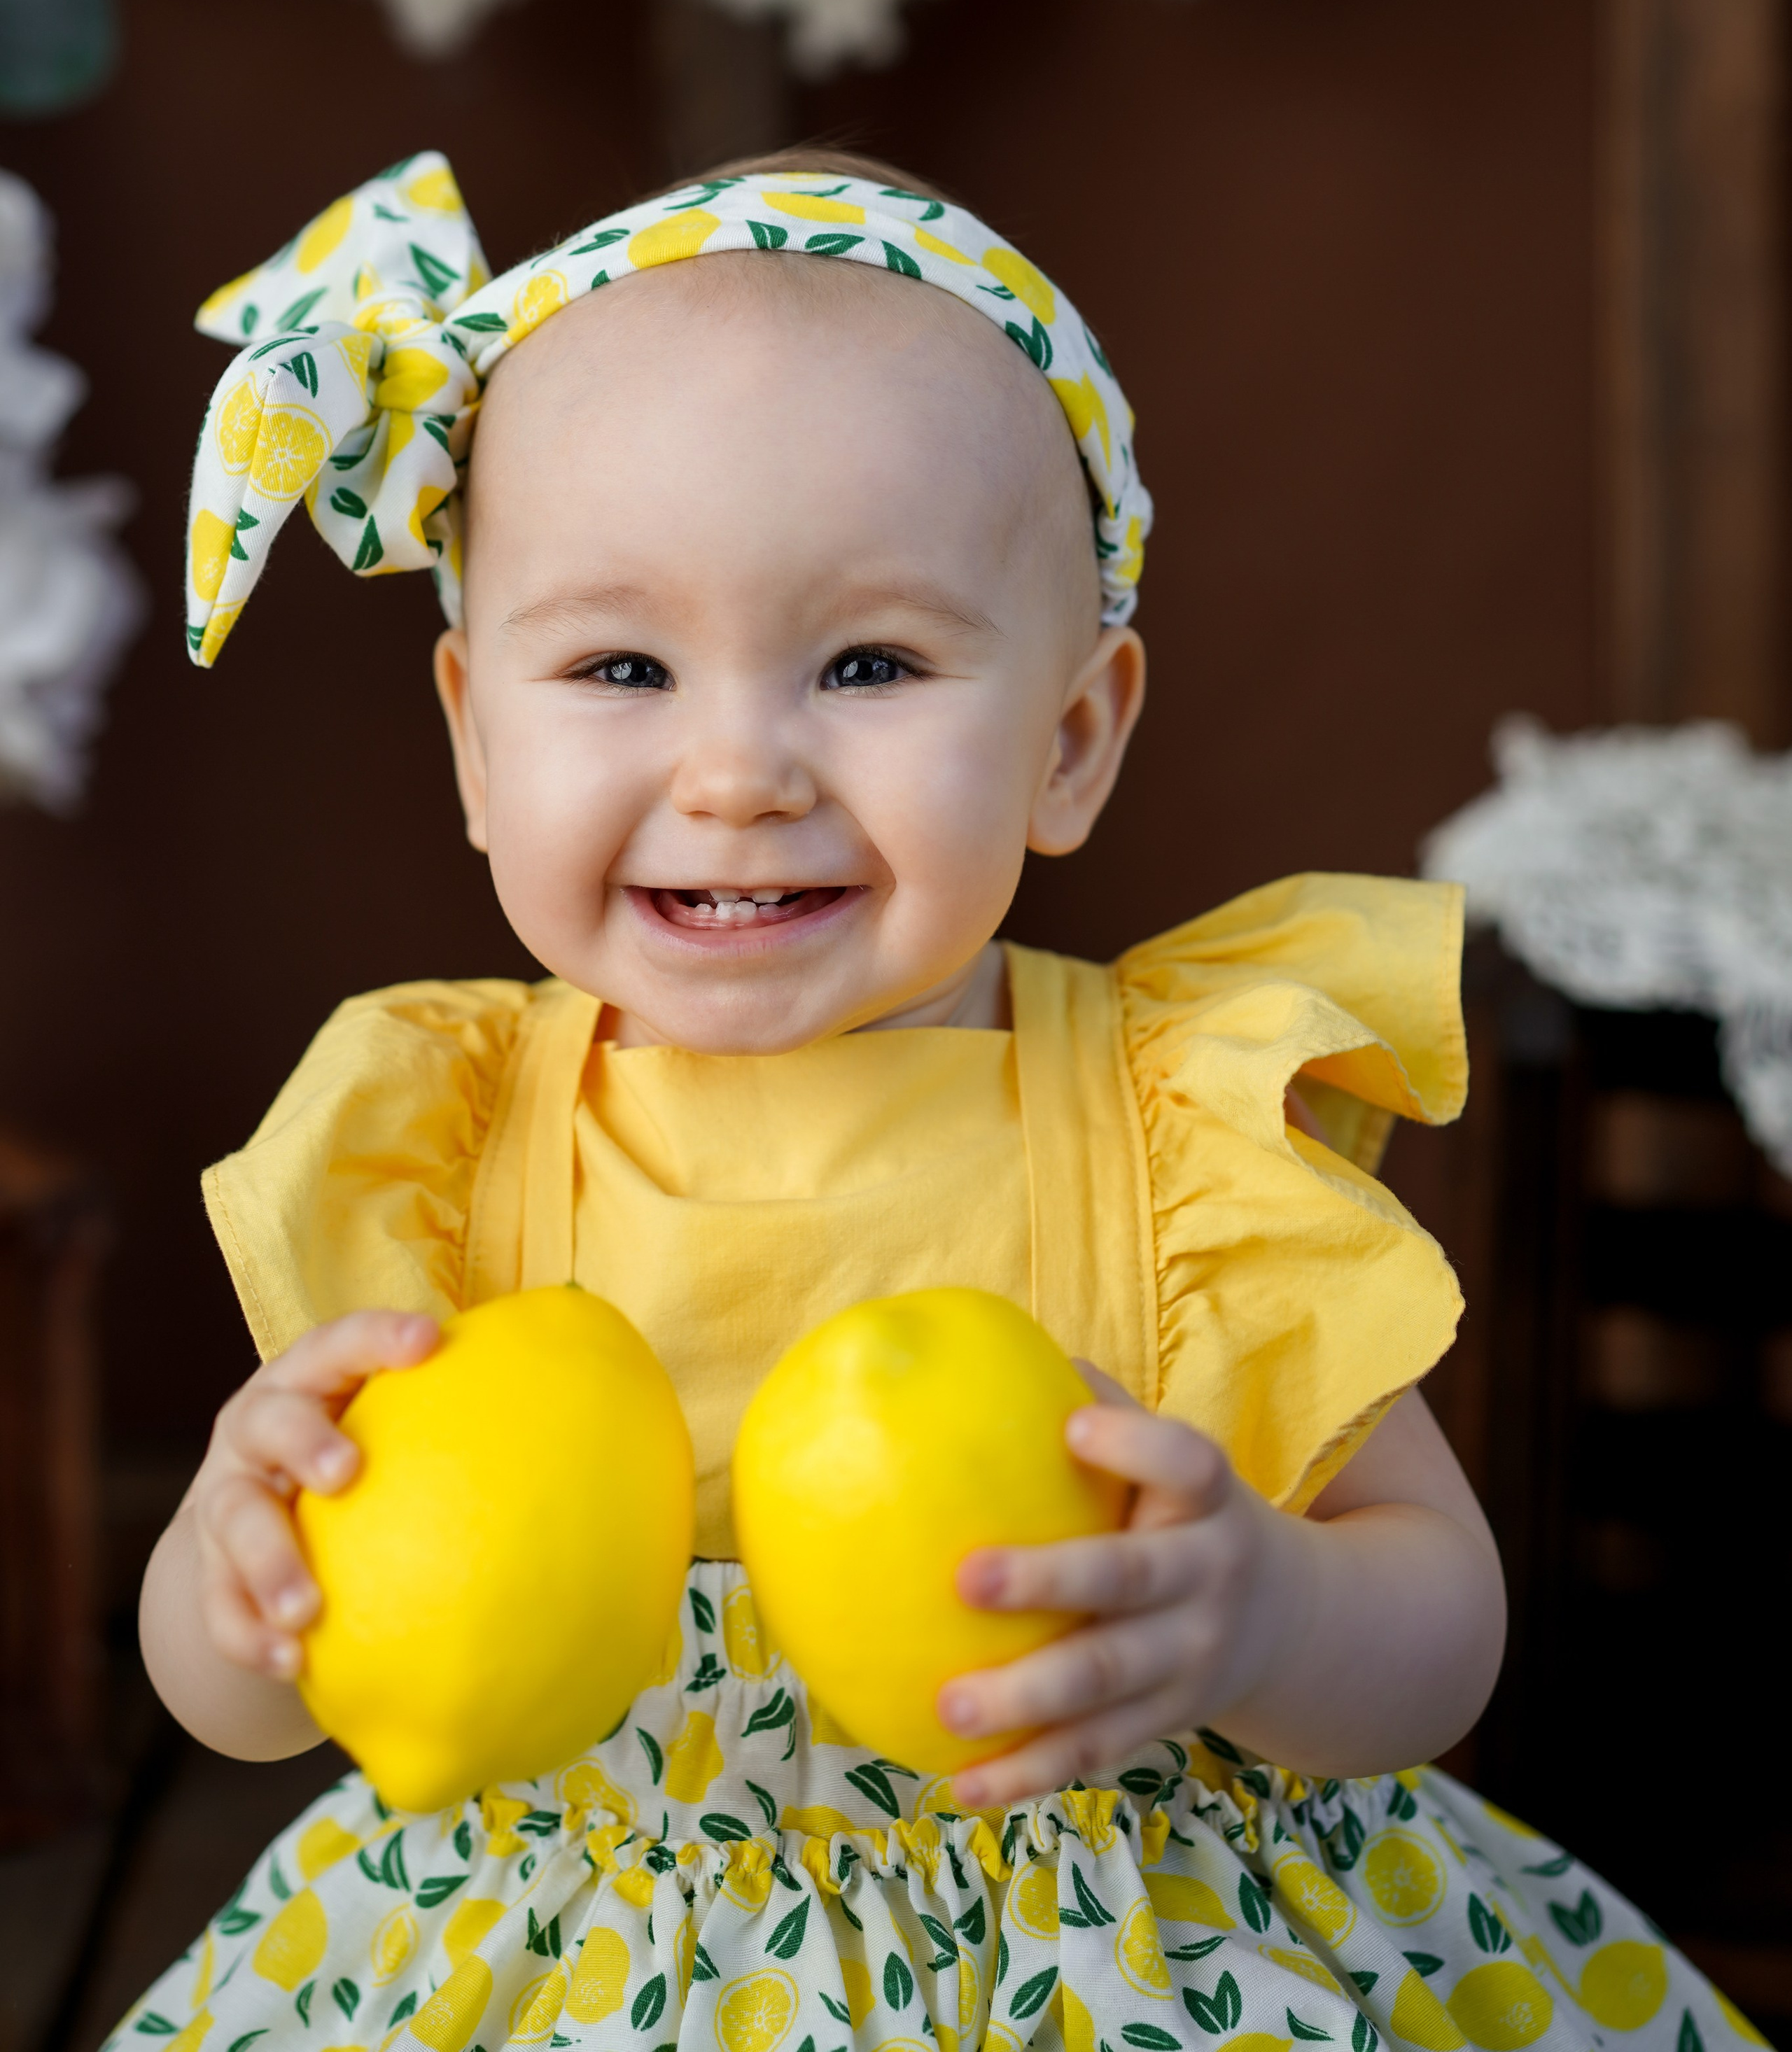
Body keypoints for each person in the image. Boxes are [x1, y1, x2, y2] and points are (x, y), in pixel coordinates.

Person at [118, 153, 1756, 2052]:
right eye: (623, 665)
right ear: (477, 736)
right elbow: (249, 1704)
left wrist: (1257, 1621)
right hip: (565, 1974)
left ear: (1070, 739)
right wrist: (229, 1585)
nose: (736, 771)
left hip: (1130, 1966)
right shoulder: (443, 1138)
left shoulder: (1172, 1138)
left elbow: (1443, 1626)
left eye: (870, 664)